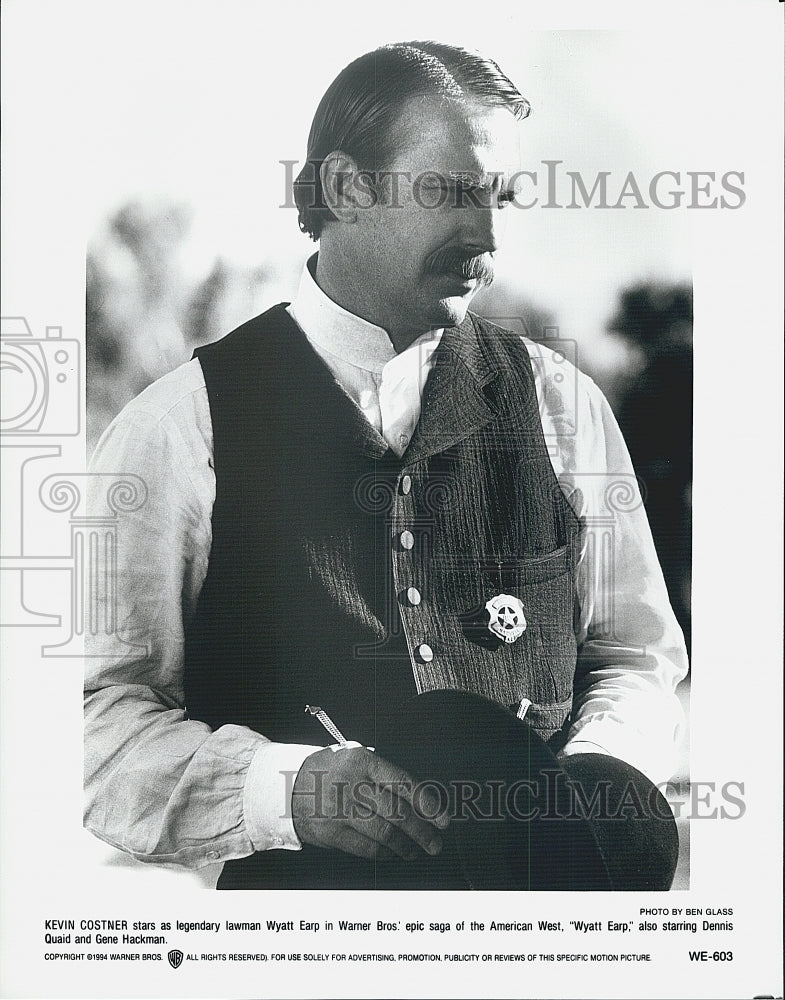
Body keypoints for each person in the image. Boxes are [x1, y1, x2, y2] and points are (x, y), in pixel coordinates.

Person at [84, 41, 688, 890]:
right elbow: (96, 725)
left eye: (503, 197)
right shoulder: (178, 426)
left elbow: (633, 656)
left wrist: (584, 791)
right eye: (449, 190)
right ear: (344, 188)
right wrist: (288, 792)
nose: (487, 234)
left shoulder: (564, 407)